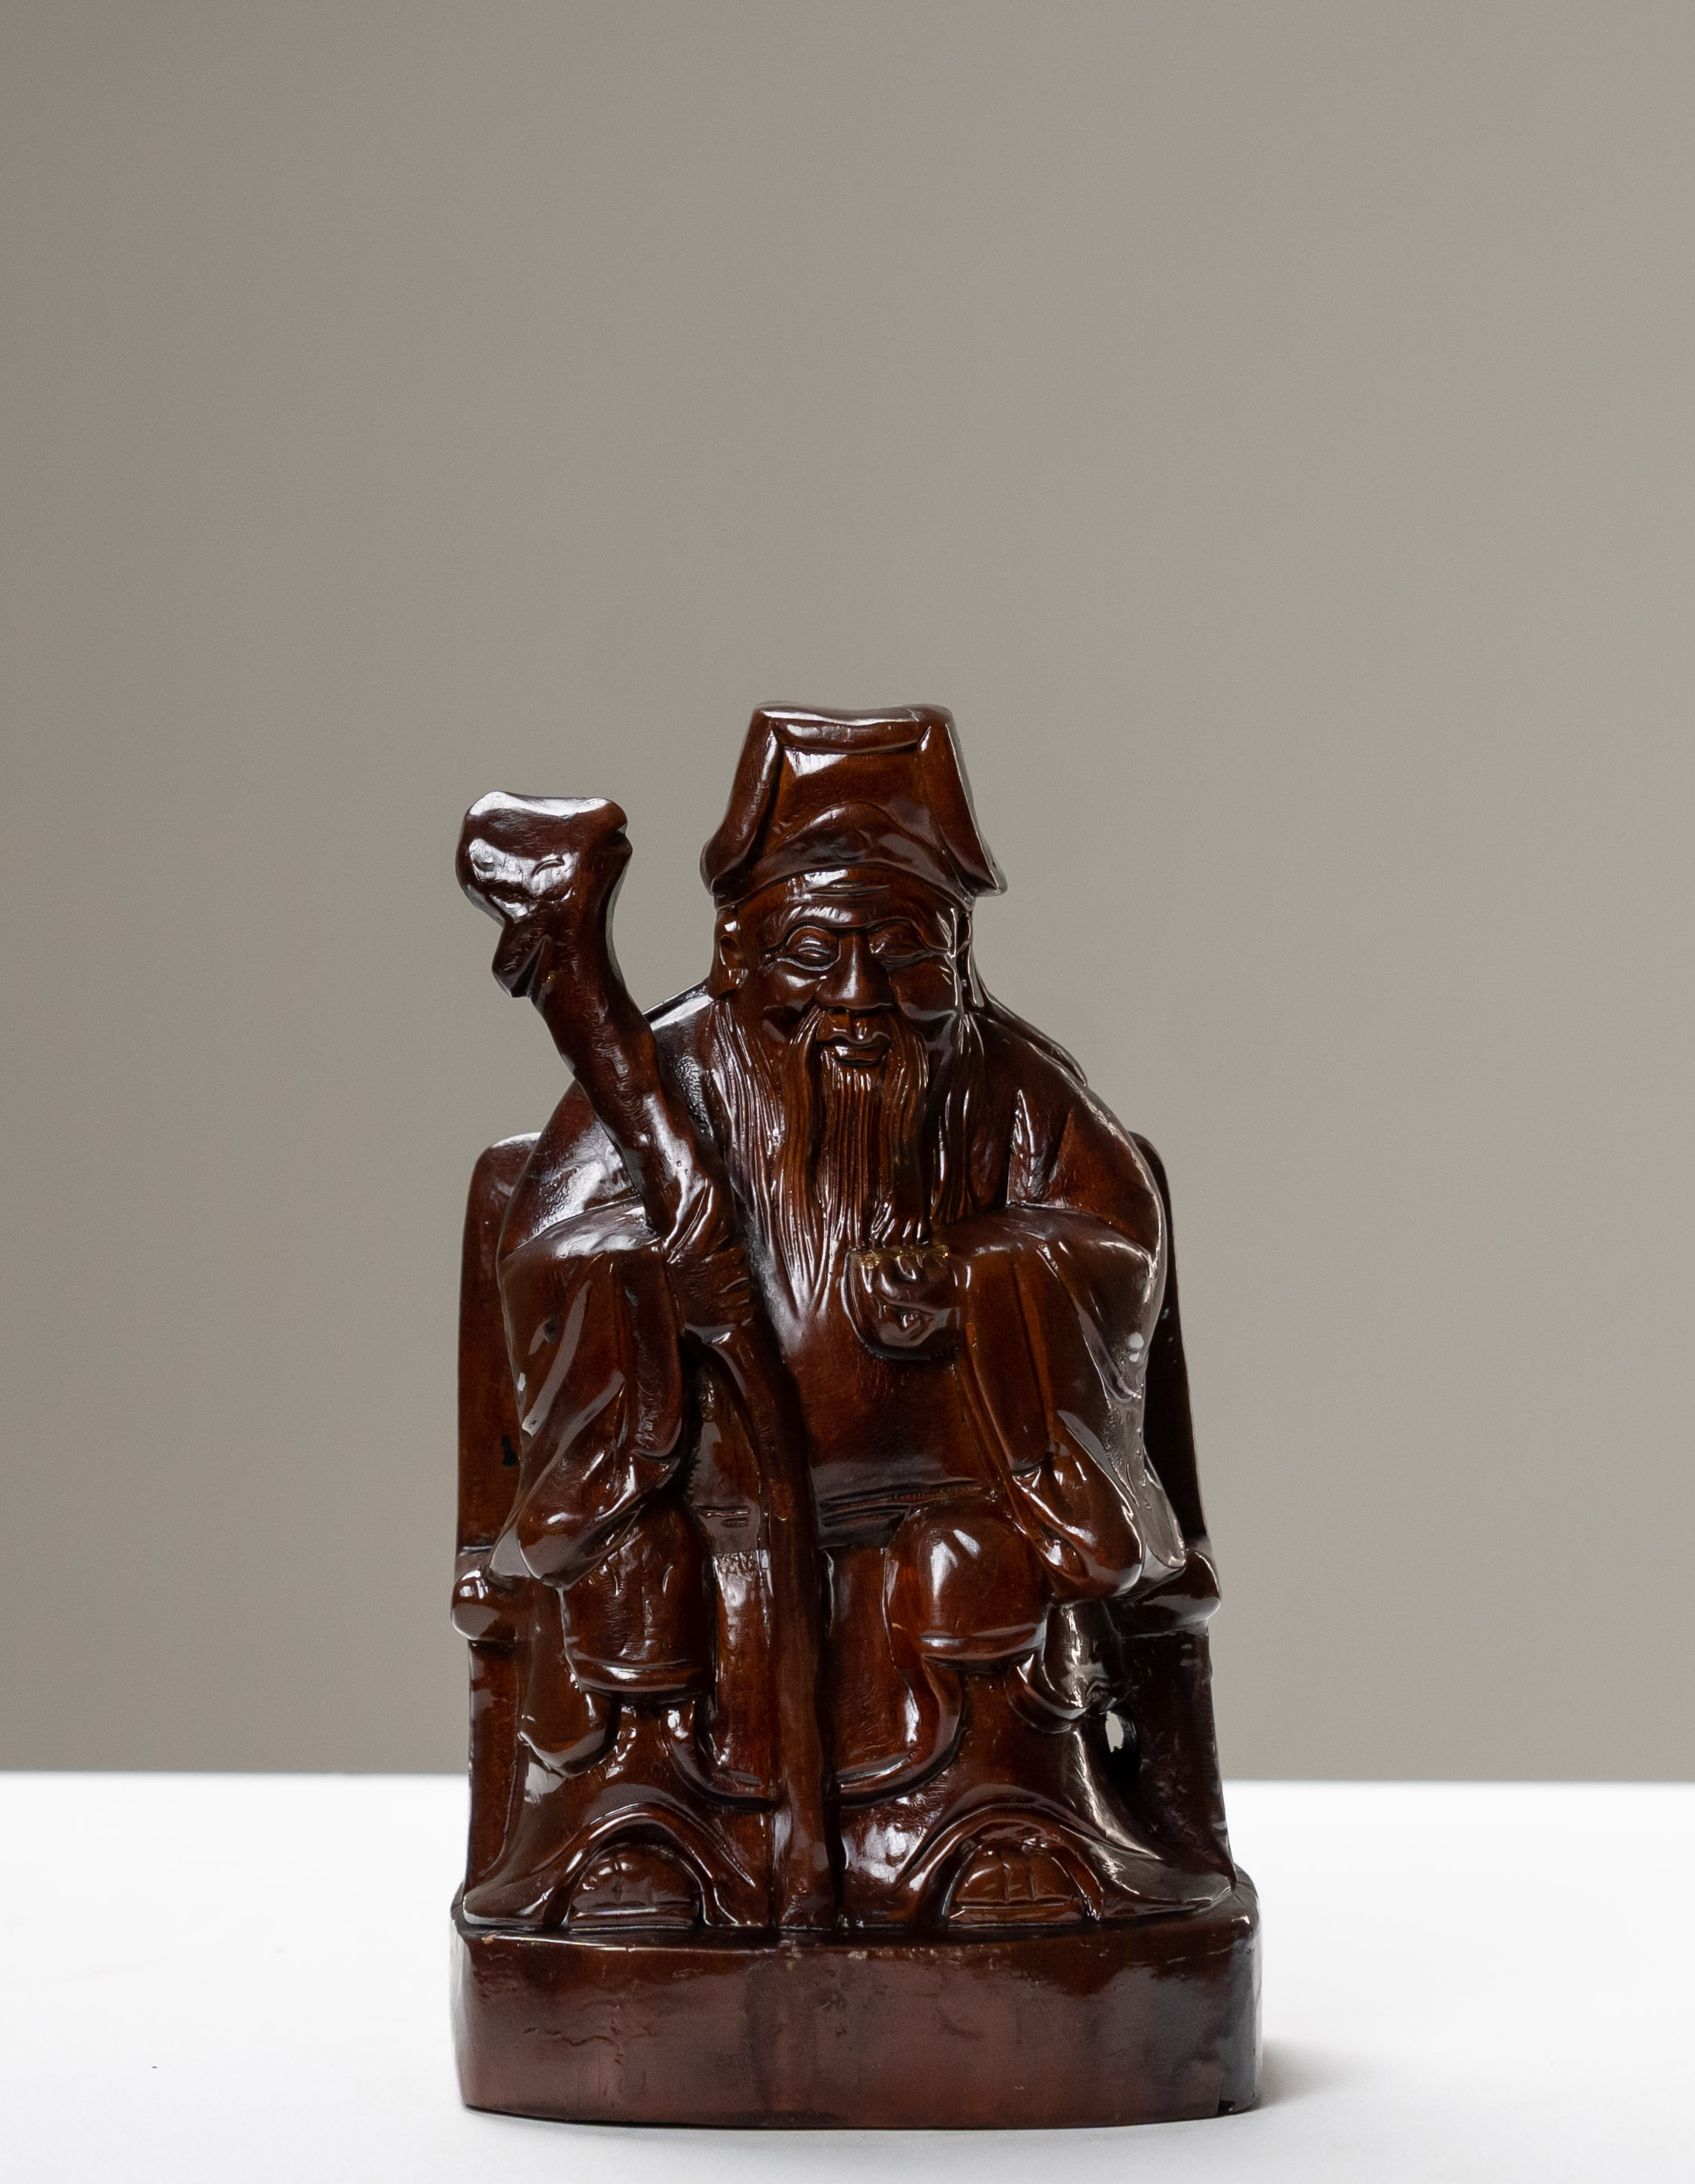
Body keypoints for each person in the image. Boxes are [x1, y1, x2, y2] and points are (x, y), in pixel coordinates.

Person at [458, 707, 1233, 1933]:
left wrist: (979, 1279)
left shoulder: (1012, 1085)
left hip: (953, 1497)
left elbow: (1113, 1238)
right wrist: (649, 1285)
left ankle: (990, 1824)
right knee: (640, 1577)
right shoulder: (665, 1076)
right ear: (739, 948)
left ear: (959, 954)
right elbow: (544, 1249)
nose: (862, 995)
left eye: (905, 950)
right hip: (704, 1503)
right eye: (816, 951)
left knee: (976, 1573)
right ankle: (648, 1830)